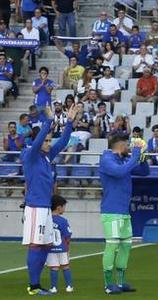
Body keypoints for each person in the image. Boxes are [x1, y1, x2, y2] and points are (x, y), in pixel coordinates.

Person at [21, 104, 75, 296]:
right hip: (35, 207)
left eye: (50, 140)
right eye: (46, 140)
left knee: (45, 245)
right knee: (36, 245)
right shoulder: (30, 155)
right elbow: (37, 143)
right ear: (39, 140)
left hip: (45, 208)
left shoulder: (46, 157)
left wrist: (69, 122)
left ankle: (37, 284)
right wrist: (49, 120)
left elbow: (64, 142)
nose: (49, 143)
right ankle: (33, 285)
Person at [98, 134, 145, 294]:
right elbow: (119, 172)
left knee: (125, 245)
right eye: (127, 145)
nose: (129, 147)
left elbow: (144, 171)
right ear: (119, 145)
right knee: (112, 246)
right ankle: (108, 284)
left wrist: (142, 156)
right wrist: (136, 154)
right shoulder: (107, 159)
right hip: (111, 210)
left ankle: (121, 282)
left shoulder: (123, 160)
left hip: (123, 211)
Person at [46, 195, 73, 294]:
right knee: (65, 266)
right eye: (64, 206)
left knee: (54, 268)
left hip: (50, 249)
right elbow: (67, 235)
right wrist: (68, 247)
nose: (64, 209)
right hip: (62, 248)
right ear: (59, 207)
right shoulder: (63, 221)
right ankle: (69, 286)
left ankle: (53, 288)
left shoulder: (46, 220)